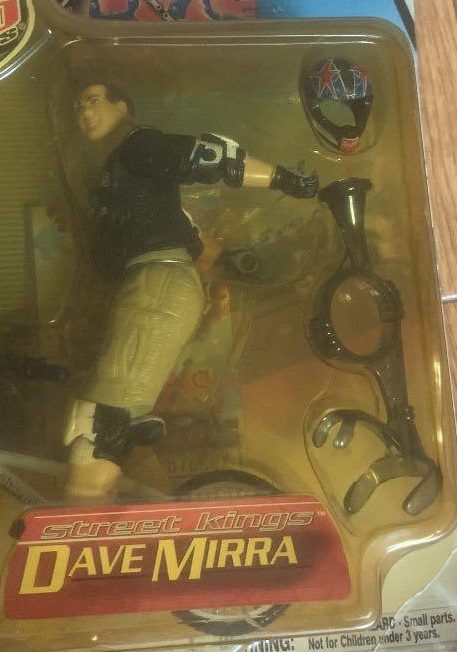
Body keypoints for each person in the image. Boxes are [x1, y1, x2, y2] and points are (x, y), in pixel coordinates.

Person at [64, 77, 318, 502]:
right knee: (119, 419)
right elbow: (182, 230)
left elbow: (208, 156)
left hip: (157, 284)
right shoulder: (118, 172)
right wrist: (224, 261)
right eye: (77, 106)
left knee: (101, 426)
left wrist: (283, 178)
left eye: (93, 100)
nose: (84, 112)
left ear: (122, 106)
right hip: (153, 283)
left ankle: (77, 524)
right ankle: (158, 513)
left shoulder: (139, 146)